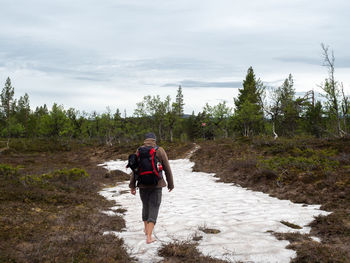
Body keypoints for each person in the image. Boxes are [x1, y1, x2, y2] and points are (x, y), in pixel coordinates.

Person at [129, 132, 174, 244]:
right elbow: (167, 168)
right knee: (154, 207)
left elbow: (134, 170)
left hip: (142, 184)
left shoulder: (139, 150)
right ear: (155, 140)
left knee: (146, 206)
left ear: (145, 140)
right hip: (156, 184)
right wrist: (170, 184)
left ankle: (146, 229)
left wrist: (132, 186)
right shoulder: (160, 150)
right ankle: (149, 237)